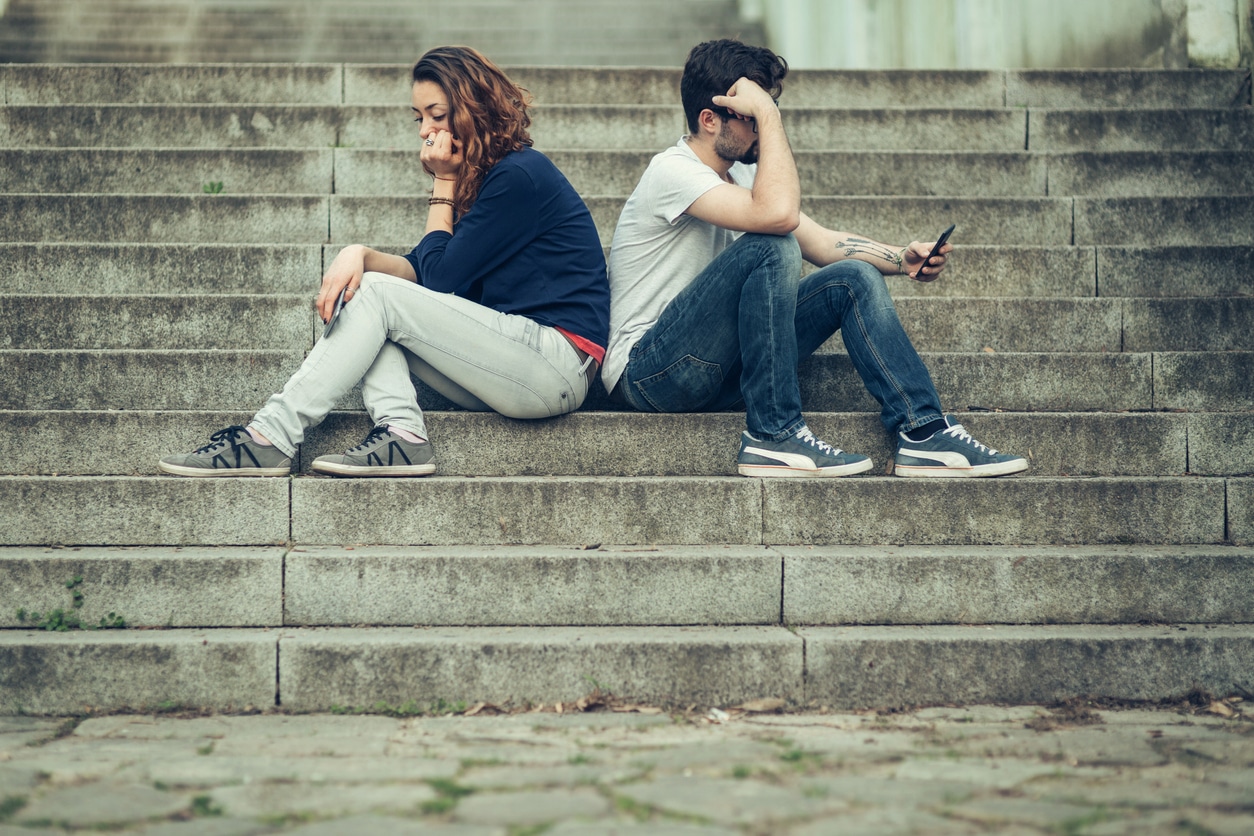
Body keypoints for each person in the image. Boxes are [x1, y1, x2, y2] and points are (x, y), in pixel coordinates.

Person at [159, 46, 609, 478]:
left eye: (436, 114)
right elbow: (421, 267)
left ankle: (270, 436)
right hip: (520, 366)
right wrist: (361, 256)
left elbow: (441, 277)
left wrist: (444, 181)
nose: (424, 130)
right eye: (419, 118)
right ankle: (402, 434)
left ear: (474, 106)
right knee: (365, 292)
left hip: (559, 361)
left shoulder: (520, 175)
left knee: (377, 296)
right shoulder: (492, 179)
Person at [603, 39, 1027, 479]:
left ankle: (923, 432)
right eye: (752, 115)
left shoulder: (745, 175)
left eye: (765, 109)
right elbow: (780, 218)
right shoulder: (671, 172)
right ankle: (773, 433)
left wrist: (902, 258)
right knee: (773, 244)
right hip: (651, 372)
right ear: (709, 120)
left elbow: (822, 243)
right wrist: (771, 116)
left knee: (853, 279)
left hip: (719, 369)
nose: (761, 127)